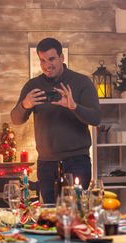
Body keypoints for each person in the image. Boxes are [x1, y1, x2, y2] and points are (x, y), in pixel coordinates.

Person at [10, 37, 101, 202]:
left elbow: (95, 118)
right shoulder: (33, 85)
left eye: (51, 59)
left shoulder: (81, 82)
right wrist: (25, 104)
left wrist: (74, 106)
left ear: (62, 57)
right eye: (42, 60)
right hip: (46, 163)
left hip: (77, 161)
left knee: (75, 213)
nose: (46, 65)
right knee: (50, 216)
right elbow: (16, 119)